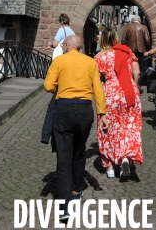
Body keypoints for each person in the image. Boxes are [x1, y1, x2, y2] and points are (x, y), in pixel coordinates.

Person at [44, 35, 108, 222]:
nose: (63, 47)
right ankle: (76, 188)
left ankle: (64, 206)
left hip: (63, 108)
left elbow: (48, 86)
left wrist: (60, 84)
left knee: (63, 158)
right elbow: (98, 89)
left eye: (64, 44)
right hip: (84, 110)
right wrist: (102, 113)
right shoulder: (90, 62)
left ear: (68, 46)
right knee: (79, 151)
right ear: (78, 48)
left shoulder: (59, 61)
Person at [95, 28, 143, 180]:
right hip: (129, 92)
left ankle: (110, 167)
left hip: (110, 93)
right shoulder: (127, 51)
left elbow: (96, 80)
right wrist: (133, 86)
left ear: (102, 40)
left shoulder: (99, 57)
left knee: (108, 128)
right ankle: (125, 158)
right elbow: (137, 72)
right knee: (129, 127)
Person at [121, 14, 151, 88]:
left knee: (131, 67)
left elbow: (123, 40)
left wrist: (128, 45)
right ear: (139, 20)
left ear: (132, 20)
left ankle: (132, 83)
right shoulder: (143, 27)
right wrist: (148, 48)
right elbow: (147, 40)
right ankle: (138, 84)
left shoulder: (127, 27)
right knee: (142, 68)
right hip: (142, 50)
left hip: (131, 51)